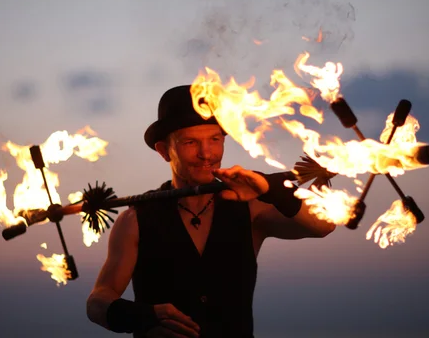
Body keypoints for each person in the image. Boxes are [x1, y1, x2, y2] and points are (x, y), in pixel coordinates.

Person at [86, 85, 336, 337]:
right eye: (191, 142)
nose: (206, 154)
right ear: (164, 151)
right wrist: (143, 318)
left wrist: (270, 188)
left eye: (215, 139)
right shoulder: (136, 218)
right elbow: (97, 302)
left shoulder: (251, 207)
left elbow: (323, 225)